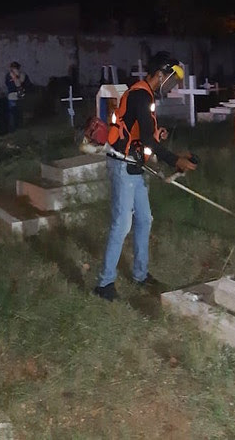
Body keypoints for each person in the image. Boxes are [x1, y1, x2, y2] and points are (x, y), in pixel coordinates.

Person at [93, 51, 198, 302]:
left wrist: (158, 136)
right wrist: (175, 160)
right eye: (171, 80)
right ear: (160, 75)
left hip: (134, 165)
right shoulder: (140, 95)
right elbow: (148, 140)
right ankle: (104, 284)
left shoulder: (145, 95)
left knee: (144, 219)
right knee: (122, 224)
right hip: (122, 165)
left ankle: (140, 275)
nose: (172, 86)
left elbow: (144, 134)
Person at [5, 61, 30, 132]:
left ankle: (14, 128)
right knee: (18, 112)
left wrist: (14, 78)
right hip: (18, 95)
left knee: (13, 113)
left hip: (13, 96)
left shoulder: (9, 75)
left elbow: (8, 84)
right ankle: (18, 127)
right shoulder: (22, 75)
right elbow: (25, 84)